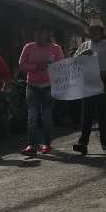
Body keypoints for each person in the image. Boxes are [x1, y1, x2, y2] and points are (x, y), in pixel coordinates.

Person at [73, 19, 106, 154]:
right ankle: (83, 143)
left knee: (102, 115)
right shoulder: (84, 45)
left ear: (101, 32)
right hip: (87, 84)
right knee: (87, 115)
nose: (94, 33)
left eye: (96, 30)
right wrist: (82, 54)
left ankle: (104, 142)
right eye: (91, 30)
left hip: (103, 83)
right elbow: (74, 61)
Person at [19, 25, 64, 155]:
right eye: (37, 32)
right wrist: (37, 66)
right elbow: (21, 65)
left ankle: (47, 144)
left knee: (46, 116)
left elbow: (62, 66)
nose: (39, 35)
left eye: (42, 33)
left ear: (47, 34)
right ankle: (31, 145)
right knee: (32, 116)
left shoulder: (55, 48)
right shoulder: (29, 47)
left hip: (49, 86)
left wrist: (51, 67)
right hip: (32, 85)